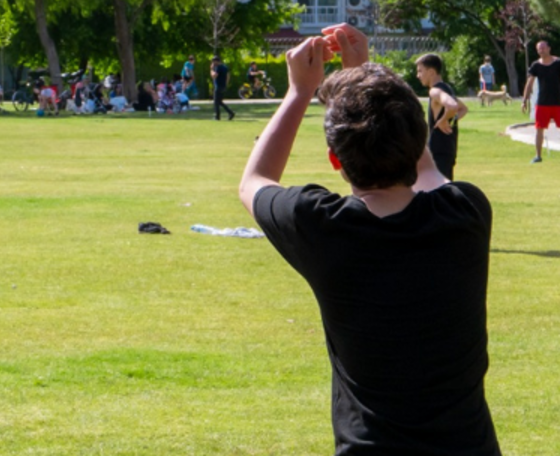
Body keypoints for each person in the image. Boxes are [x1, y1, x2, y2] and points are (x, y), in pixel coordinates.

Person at [239, 24, 500, 455]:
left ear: (334, 160)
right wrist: (365, 74)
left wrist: (299, 92)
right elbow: (429, 171)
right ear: (420, 138)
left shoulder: (321, 227)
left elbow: (254, 181)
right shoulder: (465, 213)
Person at [520, 40, 560, 164]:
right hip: (542, 103)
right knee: (539, 130)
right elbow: (529, 84)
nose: (541, 50)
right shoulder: (536, 65)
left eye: (543, 48)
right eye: (539, 49)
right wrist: (524, 100)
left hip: (558, 102)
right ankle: (538, 156)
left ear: (549, 48)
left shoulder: (559, 63)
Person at [416, 53, 468, 180]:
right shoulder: (447, 88)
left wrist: (443, 120)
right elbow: (463, 108)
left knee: (438, 193)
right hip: (448, 149)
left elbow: (453, 106)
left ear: (431, 72)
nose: (418, 75)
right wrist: (450, 120)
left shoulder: (435, 91)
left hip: (438, 152)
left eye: (420, 71)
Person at [211, 56, 234, 120]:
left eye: (214, 61)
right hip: (223, 86)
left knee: (216, 102)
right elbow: (228, 76)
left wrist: (211, 70)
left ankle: (217, 116)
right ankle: (230, 113)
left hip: (218, 86)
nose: (213, 63)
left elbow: (214, 76)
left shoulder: (218, 67)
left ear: (217, 61)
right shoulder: (225, 67)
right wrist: (226, 85)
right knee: (220, 102)